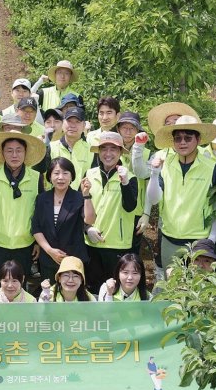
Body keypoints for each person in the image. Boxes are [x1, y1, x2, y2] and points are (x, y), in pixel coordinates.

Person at [146, 115, 216, 285]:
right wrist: (154, 173)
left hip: (199, 241)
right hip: (169, 238)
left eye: (188, 138)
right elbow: (153, 199)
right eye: (178, 138)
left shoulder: (213, 168)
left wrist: (213, 234)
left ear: (198, 139)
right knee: (172, 287)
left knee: (199, 287)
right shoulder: (165, 165)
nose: (182, 142)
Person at [0, 128, 45, 289]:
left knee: (19, 287)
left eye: (19, 150)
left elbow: (40, 212)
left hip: (25, 244)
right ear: (2, 153)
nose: (14, 155)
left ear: (25, 152)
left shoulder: (36, 177)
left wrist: (37, 241)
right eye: (9, 151)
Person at [81, 131, 138, 294]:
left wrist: (125, 183)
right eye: (104, 149)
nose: (108, 153)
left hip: (118, 245)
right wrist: (87, 228)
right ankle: (97, 321)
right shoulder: (89, 174)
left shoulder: (130, 177)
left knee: (116, 290)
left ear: (120, 152)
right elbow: (83, 204)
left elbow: (130, 207)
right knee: (93, 288)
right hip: (93, 243)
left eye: (113, 149)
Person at [31, 157, 88, 280]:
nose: (60, 177)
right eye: (56, 173)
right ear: (50, 177)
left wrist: (87, 196)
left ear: (72, 176)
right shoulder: (42, 198)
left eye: (65, 173)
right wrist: (50, 250)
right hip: (48, 258)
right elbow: (36, 228)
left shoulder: (79, 198)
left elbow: (89, 220)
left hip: (73, 258)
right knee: (50, 294)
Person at [115, 112, 152, 255]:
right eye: (124, 127)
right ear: (118, 129)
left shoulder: (147, 153)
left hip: (137, 210)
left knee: (132, 254)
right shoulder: (111, 151)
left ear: (138, 131)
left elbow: (149, 185)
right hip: (115, 208)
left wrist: (146, 214)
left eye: (132, 128)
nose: (128, 132)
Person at [46, 106, 90, 190]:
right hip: (53, 199)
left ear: (84, 125)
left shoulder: (92, 151)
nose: (72, 125)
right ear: (63, 123)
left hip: (81, 200)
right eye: (69, 121)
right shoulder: (51, 147)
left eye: (77, 122)